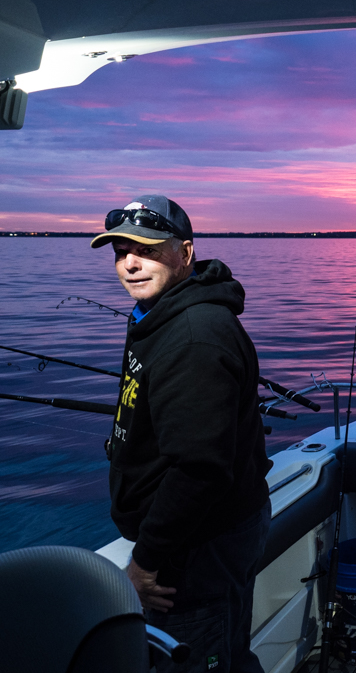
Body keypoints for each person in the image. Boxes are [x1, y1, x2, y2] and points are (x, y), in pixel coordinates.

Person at [91, 194, 272, 673]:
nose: (130, 264)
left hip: (194, 551)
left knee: (201, 660)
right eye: (120, 251)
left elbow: (199, 469)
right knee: (229, 655)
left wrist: (146, 561)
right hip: (196, 538)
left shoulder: (195, 335)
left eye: (147, 250)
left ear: (185, 253)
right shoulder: (158, 313)